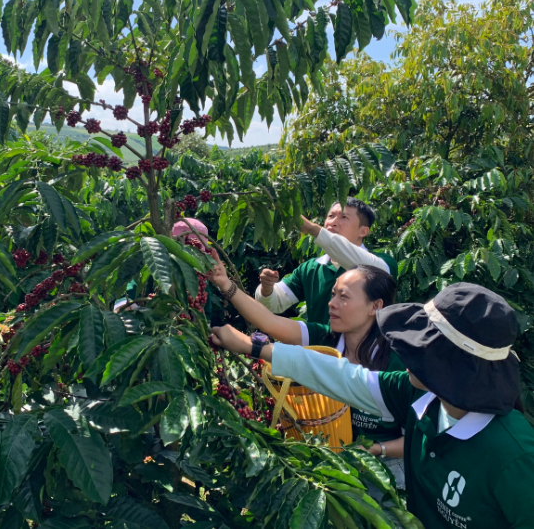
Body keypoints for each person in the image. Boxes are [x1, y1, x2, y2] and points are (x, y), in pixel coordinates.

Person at [210, 281, 534, 528]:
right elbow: (343, 377)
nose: (407, 351)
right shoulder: (420, 397)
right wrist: (254, 348)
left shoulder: (514, 456)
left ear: (453, 366)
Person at [208, 251, 406, 485]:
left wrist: (378, 449)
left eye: (344, 297)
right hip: (330, 464)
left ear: (376, 306)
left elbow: (422, 435)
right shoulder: (325, 339)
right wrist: (225, 284)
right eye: (333, 294)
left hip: (384, 469)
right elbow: (269, 321)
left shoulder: (398, 361)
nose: (332, 303)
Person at [256, 199, 398, 324]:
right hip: (319, 346)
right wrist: (267, 289)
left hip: (366, 347)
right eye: (330, 216)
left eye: (344, 217)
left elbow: (373, 270)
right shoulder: (310, 268)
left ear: (363, 231)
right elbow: (275, 303)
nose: (333, 222)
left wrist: (312, 229)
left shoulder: (384, 262)